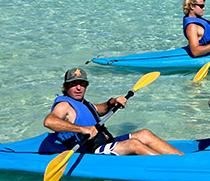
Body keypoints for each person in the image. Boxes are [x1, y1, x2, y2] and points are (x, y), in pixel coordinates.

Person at [41, 67, 182, 156]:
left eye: (82, 84)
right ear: (66, 87)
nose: (78, 88)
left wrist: (112, 102)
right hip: (92, 151)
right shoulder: (64, 105)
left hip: (107, 142)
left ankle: (182, 157)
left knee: (144, 134)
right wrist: (83, 129)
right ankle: (170, 166)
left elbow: (98, 110)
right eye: (74, 85)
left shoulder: (83, 103)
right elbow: (49, 121)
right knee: (133, 144)